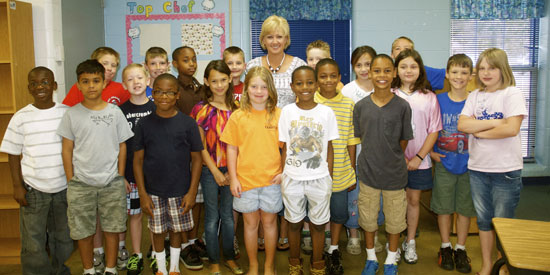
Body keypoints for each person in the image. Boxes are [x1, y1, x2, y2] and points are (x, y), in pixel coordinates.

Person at [57, 59, 134, 275]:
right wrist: (71, 179)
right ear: (79, 85)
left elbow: (122, 146)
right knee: (83, 231)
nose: (91, 86)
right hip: (81, 184)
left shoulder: (115, 112)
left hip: (111, 182)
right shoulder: (71, 114)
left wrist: (119, 176)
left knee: (113, 227)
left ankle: (110, 268)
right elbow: (67, 149)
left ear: (103, 84)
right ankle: (88, 269)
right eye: (85, 81)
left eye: (96, 81)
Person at [458, 48, 527, 275]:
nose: (486, 73)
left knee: (503, 224)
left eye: (493, 68)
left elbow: (512, 128)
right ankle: (488, 266)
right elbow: (463, 125)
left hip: (505, 171)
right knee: (484, 221)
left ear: (503, 69)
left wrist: (481, 130)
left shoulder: (512, 93)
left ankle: (504, 266)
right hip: (478, 169)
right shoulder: (475, 96)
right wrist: (497, 124)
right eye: (483, 68)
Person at [0, 67, 73, 275]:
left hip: (63, 189)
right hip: (33, 190)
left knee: (64, 237)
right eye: (34, 83)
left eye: (45, 82)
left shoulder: (66, 113)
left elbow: (74, 150)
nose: (40, 86)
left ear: (55, 86)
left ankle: (62, 270)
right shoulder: (21, 117)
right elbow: (13, 153)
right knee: (33, 242)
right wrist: (17, 186)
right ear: (29, 88)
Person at [245, 14, 306, 252]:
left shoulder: (299, 64)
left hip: (291, 136)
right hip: (260, 136)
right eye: (270, 36)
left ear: (287, 39)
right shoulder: (252, 66)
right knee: (264, 183)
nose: (275, 41)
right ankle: (261, 234)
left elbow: (305, 99)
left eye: (279, 36)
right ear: (263, 40)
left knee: (285, 184)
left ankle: (282, 235)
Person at [133, 73, 203, 275]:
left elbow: (197, 159)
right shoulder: (144, 124)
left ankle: (173, 268)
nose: (164, 96)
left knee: (176, 230)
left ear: (177, 95)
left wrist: (191, 193)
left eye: (169, 92)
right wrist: (143, 194)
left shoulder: (188, 124)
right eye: (159, 92)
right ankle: (161, 268)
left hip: (180, 189)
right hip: (153, 191)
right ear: (152, 93)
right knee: (156, 231)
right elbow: (137, 161)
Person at [354, 54, 413, 275]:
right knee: (368, 220)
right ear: (369, 73)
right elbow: (361, 137)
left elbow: (404, 139)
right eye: (377, 70)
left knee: (395, 221)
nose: (382, 75)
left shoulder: (402, 106)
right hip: (368, 173)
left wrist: (391, 157)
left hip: (395, 175)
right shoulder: (361, 106)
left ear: (394, 73)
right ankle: (371, 258)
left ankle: (390, 259)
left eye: (387, 70)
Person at [221, 66, 283, 275]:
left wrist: (283, 171)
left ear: (270, 89)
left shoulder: (278, 115)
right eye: (254, 86)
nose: (258, 91)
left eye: (263, 87)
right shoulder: (238, 117)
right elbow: (231, 148)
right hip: (245, 181)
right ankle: (254, 265)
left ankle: (268, 266)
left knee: (269, 222)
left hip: (271, 180)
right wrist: (233, 178)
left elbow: (287, 148)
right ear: (246, 89)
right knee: (250, 224)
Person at [280, 65, 339, 275]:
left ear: (316, 84)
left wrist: (329, 175)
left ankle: (317, 263)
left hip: (320, 178)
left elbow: (329, 147)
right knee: (294, 224)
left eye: (309, 82)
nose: (304, 87)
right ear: (292, 86)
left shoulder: (326, 112)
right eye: (299, 83)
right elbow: (285, 147)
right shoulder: (287, 112)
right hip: (292, 178)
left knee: (318, 225)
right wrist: (282, 173)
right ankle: (294, 263)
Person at [190, 60, 243, 275]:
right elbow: (199, 145)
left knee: (228, 216)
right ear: (206, 82)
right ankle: (213, 260)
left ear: (230, 79)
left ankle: (229, 257)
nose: (219, 85)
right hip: (209, 170)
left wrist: (232, 171)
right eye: (214, 81)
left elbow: (241, 144)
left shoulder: (238, 110)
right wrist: (213, 170)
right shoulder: (200, 109)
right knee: (212, 217)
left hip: (232, 171)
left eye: (223, 80)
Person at [392, 49, 442, 265]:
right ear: (396, 70)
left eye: (413, 66)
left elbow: (434, 130)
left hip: (420, 160)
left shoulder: (429, 97)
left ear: (420, 69)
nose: (408, 70)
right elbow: (387, 130)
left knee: (413, 201)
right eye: (403, 66)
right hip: (394, 161)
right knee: (394, 203)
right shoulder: (390, 94)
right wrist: (400, 157)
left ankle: (410, 241)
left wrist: (419, 157)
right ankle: (393, 243)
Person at [430, 54, 476, 274]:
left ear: (470, 76)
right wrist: (430, 152)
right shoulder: (438, 100)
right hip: (445, 163)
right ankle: (446, 246)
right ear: (447, 74)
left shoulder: (476, 100)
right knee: (444, 208)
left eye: (464, 72)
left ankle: (461, 248)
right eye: (454, 72)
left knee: (466, 209)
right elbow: (429, 129)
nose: (459, 77)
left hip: (470, 165)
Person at [314, 58, 360, 275]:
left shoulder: (348, 104)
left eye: (333, 76)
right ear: (316, 79)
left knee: (338, 214)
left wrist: (352, 170)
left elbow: (351, 140)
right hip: (313, 173)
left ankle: (333, 248)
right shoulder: (309, 101)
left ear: (340, 78)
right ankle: (319, 246)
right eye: (323, 76)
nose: (328, 80)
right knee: (316, 212)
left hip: (341, 172)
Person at [171, 46, 207, 269]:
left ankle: (193, 241)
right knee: (183, 201)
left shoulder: (200, 88)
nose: (191, 64)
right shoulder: (172, 89)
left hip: (199, 153)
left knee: (197, 200)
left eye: (194, 59)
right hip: (179, 154)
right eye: (185, 60)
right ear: (175, 64)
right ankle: (184, 245)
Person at [341, 45, 378, 256]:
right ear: (353, 67)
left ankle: (371, 232)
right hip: (354, 152)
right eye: (359, 65)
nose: (364, 69)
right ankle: (353, 233)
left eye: (369, 64)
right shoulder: (347, 90)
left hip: (376, 155)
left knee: (374, 197)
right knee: (353, 195)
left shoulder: (382, 87)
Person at [119, 63, 155, 274]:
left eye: (139, 78)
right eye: (130, 79)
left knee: (154, 215)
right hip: (132, 176)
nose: (136, 82)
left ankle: (155, 252)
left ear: (148, 81)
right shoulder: (120, 111)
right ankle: (136, 255)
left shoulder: (156, 108)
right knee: (134, 215)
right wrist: (121, 175)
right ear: (124, 84)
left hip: (154, 175)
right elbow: (119, 146)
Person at [63, 47, 130, 106]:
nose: (109, 68)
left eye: (113, 65)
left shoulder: (121, 88)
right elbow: (66, 110)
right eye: (105, 63)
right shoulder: (80, 87)